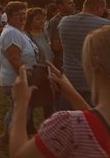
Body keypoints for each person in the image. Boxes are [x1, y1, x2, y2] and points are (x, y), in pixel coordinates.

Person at [9, 25, 110, 158]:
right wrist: (72, 94)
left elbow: (19, 156)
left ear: (95, 64)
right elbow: (97, 126)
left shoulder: (67, 126)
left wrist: (20, 105)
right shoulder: (82, 126)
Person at [0, 1, 39, 145]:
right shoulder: (11, 33)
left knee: (16, 109)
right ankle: (12, 140)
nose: (23, 17)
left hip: (18, 78)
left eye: (24, 14)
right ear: (9, 16)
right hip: (15, 80)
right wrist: (25, 79)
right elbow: (14, 59)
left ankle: (7, 136)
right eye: (18, 15)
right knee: (21, 111)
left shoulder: (18, 31)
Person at [58, 0, 110, 108]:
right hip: (91, 81)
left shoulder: (64, 22)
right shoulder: (105, 26)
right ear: (98, 8)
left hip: (69, 80)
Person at [25, 7, 55, 118]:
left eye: (43, 19)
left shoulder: (44, 32)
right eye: (38, 19)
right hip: (35, 70)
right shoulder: (26, 35)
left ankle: (49, 121)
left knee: (49, 98)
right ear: (30, 20)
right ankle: (29, 124)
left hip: (47, 69)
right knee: (32, 98)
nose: (42, 21)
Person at [47, 0, 74, 70]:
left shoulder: (73, 19)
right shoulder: (55, 21)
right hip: (62, 62)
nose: (73, 5)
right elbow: (55, 46)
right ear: (60, 6)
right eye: (69, 3)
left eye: (72, 3)